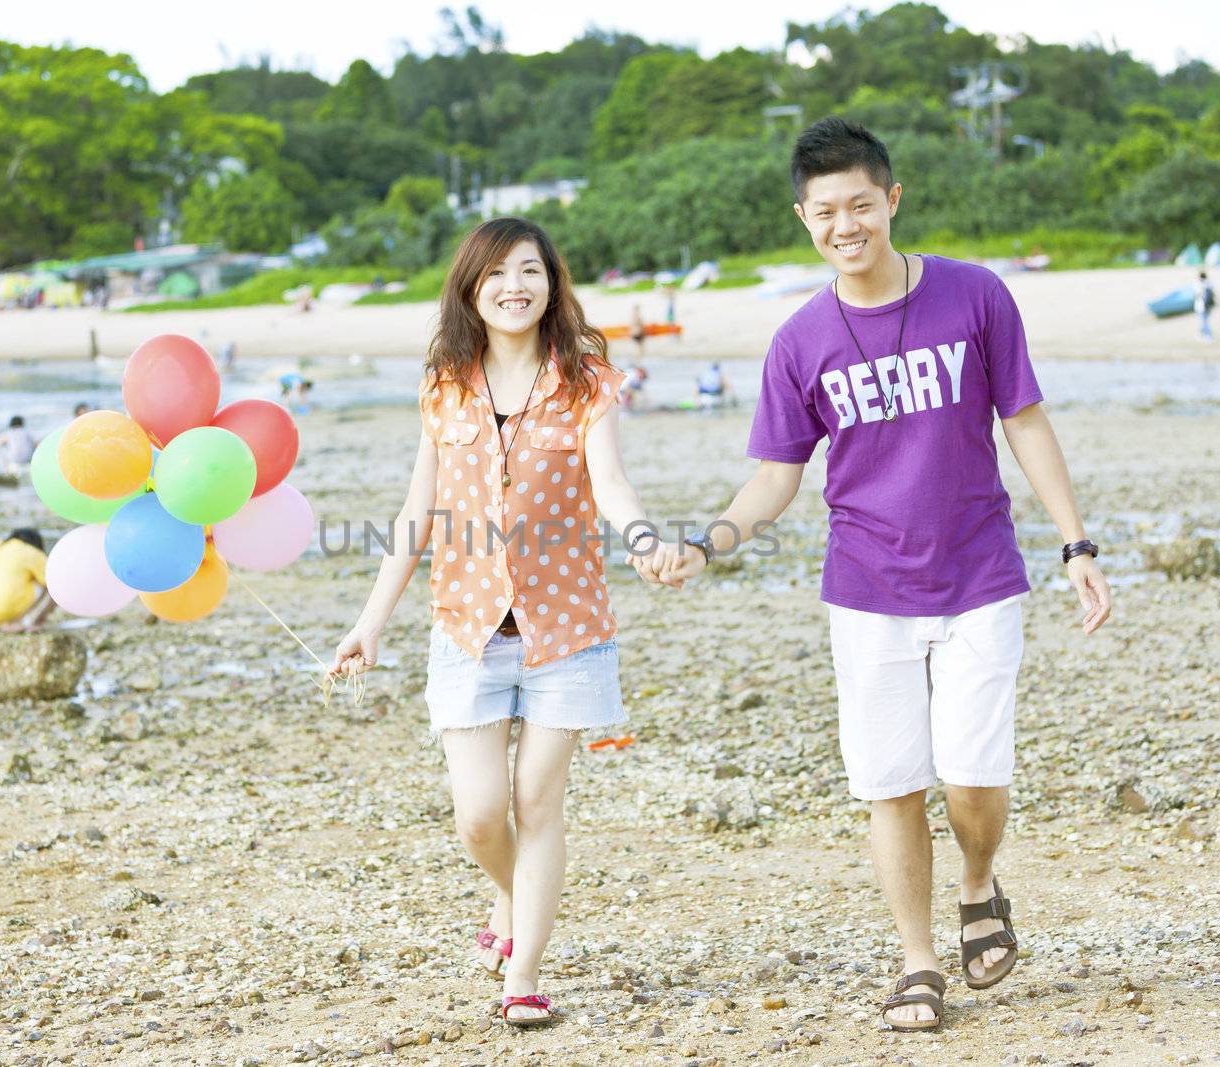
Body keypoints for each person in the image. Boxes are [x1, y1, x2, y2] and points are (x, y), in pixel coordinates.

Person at [643, 118, 1112, 1033]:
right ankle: (918, 958)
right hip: (865, 592)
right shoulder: (798, 340)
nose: (845, 224)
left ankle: (978, 882)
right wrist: (707, 541)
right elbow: (777, 476)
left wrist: (1077, 544)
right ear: (803, 218)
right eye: (826, 211)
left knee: (973, 777)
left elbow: (1024, 421)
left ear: (891, 200)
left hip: (980, 573)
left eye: (861, 204)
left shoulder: (974, 296)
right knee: (891, 781)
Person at [327, 217, 655, 1029]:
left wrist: (645, 539)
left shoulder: (588, 381)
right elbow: (418, 511)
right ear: (472, 287)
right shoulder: (444, 383)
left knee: (537, 802)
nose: (516, 285)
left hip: (568, 628)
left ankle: (525, 975)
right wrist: (370, 622)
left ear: (552, 283)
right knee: (478, 811)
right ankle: (510, 895)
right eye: (498, 273)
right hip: (468, 627)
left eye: (531, 271)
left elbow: (610, 484)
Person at [0, 528, 55, 636]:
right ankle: (23, 622)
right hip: (6, 608)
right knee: (51, 584)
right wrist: (42, 617)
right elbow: (54, 584)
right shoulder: (31, 551)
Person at [1194, 270, 1214, 341]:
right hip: (1209, 305)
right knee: (1204, 320)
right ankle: (1201, 334)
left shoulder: (1199, 284)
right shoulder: (1209, 283)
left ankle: (1208, 335)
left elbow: (1198, 295)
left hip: (1202, 305)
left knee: (1204, 321)